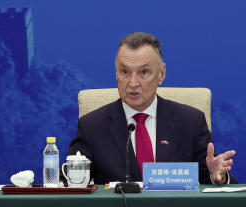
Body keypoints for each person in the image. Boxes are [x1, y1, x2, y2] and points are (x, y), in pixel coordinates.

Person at [67, 32, 235, 186]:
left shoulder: (190, 122)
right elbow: (70, 183)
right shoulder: (92, 126)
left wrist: (218, 177)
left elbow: (213, 178)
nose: (133, 83)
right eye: (125, 72)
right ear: (116, 73)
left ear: (161, 74)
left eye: (144, 72)